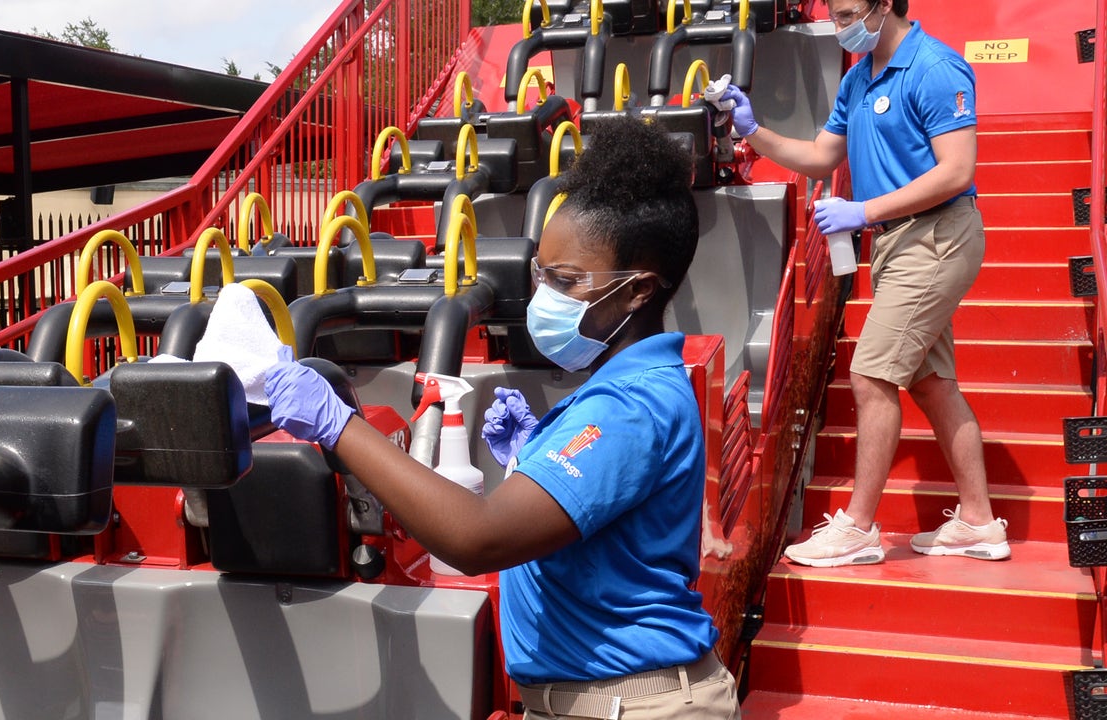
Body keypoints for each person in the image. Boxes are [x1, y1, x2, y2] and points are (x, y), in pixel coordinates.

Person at [264, 115, 741, 719]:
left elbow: (476, 539)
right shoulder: (622, 389)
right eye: (540, 273)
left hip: (634, 704)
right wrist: (531, 461)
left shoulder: (630, 407)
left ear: (638, 290)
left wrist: (337, 425)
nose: (542, 295)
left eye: (566, 281)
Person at [722, 0, 1009, 567]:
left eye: (849, 10)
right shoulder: (858, 76)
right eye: (833, 11)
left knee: (872, 372)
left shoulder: (935, 67)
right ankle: (978, 521)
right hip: (898, 242)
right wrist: (753, 131)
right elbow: (819, 155)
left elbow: (956, 170)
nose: (838, 23)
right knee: (931, 383)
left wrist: (863, 210)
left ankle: (858, 527)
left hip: (936, 236)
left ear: (884, 5)